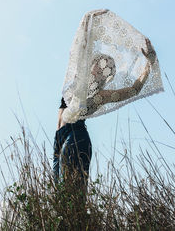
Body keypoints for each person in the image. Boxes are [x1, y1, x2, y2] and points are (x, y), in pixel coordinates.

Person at [53, 38, 156, 196]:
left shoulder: (99, 95)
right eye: (99, 65)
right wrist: (91, 18)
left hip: (76, 138)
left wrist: (149, 64)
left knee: (71, 197)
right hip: (59, 141)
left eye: (105, 70)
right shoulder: (76, 82)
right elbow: (82, 45)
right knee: (58, 198)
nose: (100, 70)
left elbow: (134, 89)